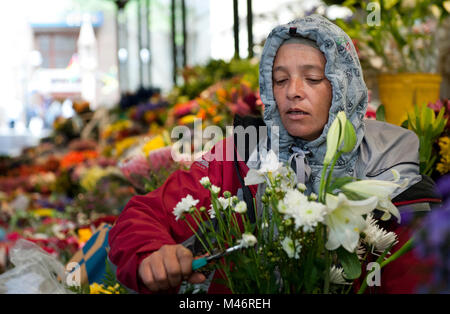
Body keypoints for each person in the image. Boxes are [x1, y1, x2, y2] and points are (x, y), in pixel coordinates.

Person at [108, 15, 441, 294]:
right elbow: (143, 215)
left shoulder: (389, 163)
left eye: (312, 78)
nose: (293, 91)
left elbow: (416, 275)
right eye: (280, 80)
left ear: (343, 87)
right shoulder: (239, 153)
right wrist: (150, 255)